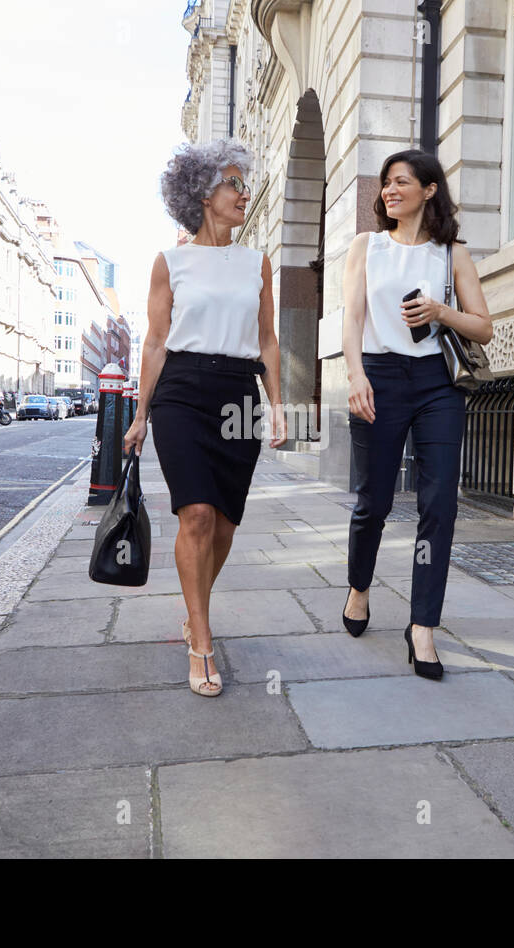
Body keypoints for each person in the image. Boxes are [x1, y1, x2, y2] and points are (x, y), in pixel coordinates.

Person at [123, 138, 287, 697]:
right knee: (195, 514)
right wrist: (140, 413)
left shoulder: (256, 262)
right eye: (233, 184)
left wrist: (278, 405)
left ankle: (195, 610)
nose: (244, 194)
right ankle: (201, 640)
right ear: (202, 194)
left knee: (224, 525)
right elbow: (156, 341)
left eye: (245, 184)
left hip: (238, 392)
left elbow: (267, 340)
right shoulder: (169, 262)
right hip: (182, 393)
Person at [340, 149, 494, 680]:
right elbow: (353, 319)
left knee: (439, 508)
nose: (389, 190)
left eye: (401, 181)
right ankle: (359, 588)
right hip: (378, 378)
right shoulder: (367, 246)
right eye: (386, 183)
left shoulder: (452, 253)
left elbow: (482, 326)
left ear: (429, 190)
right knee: (373, 501)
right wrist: (356, 376)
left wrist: (440, 311)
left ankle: (423, 626)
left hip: (435, 386)